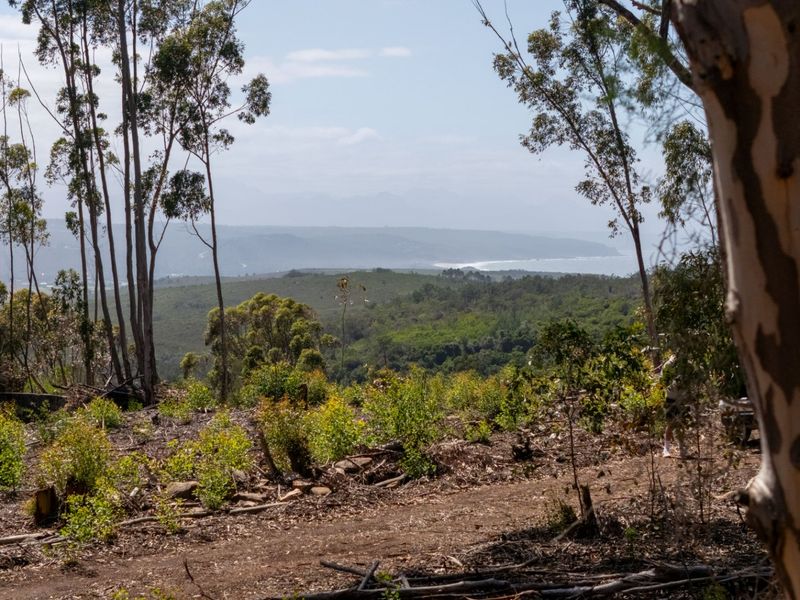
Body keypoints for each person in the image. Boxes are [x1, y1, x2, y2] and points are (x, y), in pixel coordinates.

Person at [661, 355, 688, 458]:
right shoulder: (668, 365)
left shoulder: (686, 365)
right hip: (671, 397)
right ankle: (666, 449)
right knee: (671, 423)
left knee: (681, 424)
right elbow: (664, 381)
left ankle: (682, 449)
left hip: (682, 398)